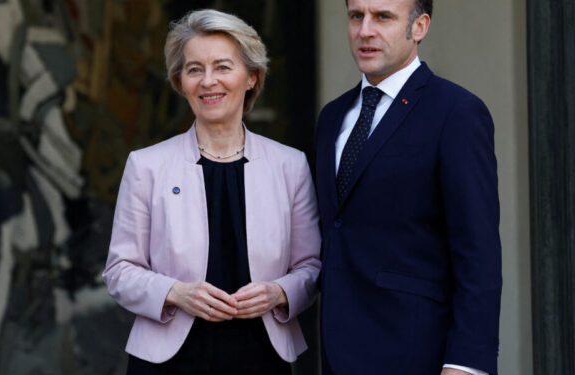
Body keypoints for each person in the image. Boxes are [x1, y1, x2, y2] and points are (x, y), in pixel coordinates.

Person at [103, 9, 321, 375]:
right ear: (180, 81)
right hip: (166, 360)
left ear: (252, 77)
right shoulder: (147, 165)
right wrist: (176, 292)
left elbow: (311, 267)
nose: (208, 81)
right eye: (194, 69)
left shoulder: (290, 165)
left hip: (262, 357)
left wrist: (279, 293)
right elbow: (120, 271)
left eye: (222, 67)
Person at [315, 0, 502, 374]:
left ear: (420, 27)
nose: (365, 30)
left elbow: (477, 252)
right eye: (356, 16)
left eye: (383, 17)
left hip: (419, 352)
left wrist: (466, 363)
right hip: (338, 352)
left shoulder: (456, 112)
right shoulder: (333, 116)